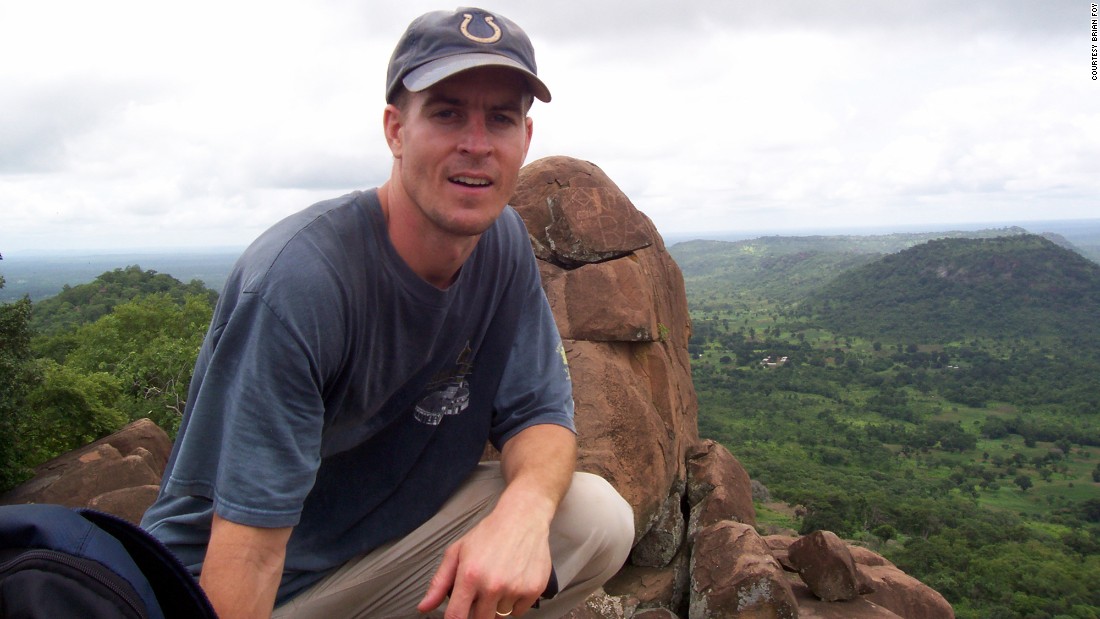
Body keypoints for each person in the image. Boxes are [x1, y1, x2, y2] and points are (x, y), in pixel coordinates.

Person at [140, 7, 634, 619]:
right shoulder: (304, 282)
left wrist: (523, 516)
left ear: (524, 141)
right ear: (395, 130)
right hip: (253, 586)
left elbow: (539, 412)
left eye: (500, 119)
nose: (476, 145)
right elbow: (249, 556)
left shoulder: (501, 243)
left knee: (595, 518)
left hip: (390, 551)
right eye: (447, 112)